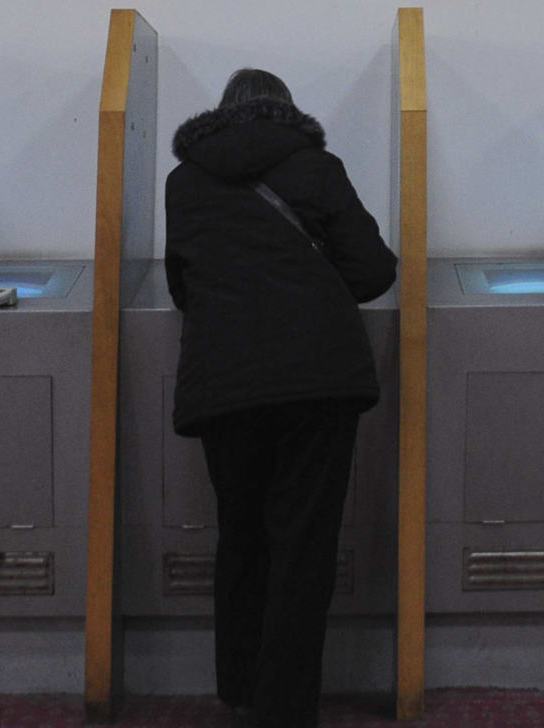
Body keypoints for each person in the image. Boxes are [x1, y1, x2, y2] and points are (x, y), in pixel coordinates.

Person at [165, 68, 399, 728]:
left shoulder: (184, 182)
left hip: (225, 384)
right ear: (286, 111)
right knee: (302, 546)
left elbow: (185, 287)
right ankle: (286, 711)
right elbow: (374, 269)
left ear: (222, 112)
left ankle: (239, 691)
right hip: (317, 380)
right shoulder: (316, 167)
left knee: (241, 535)